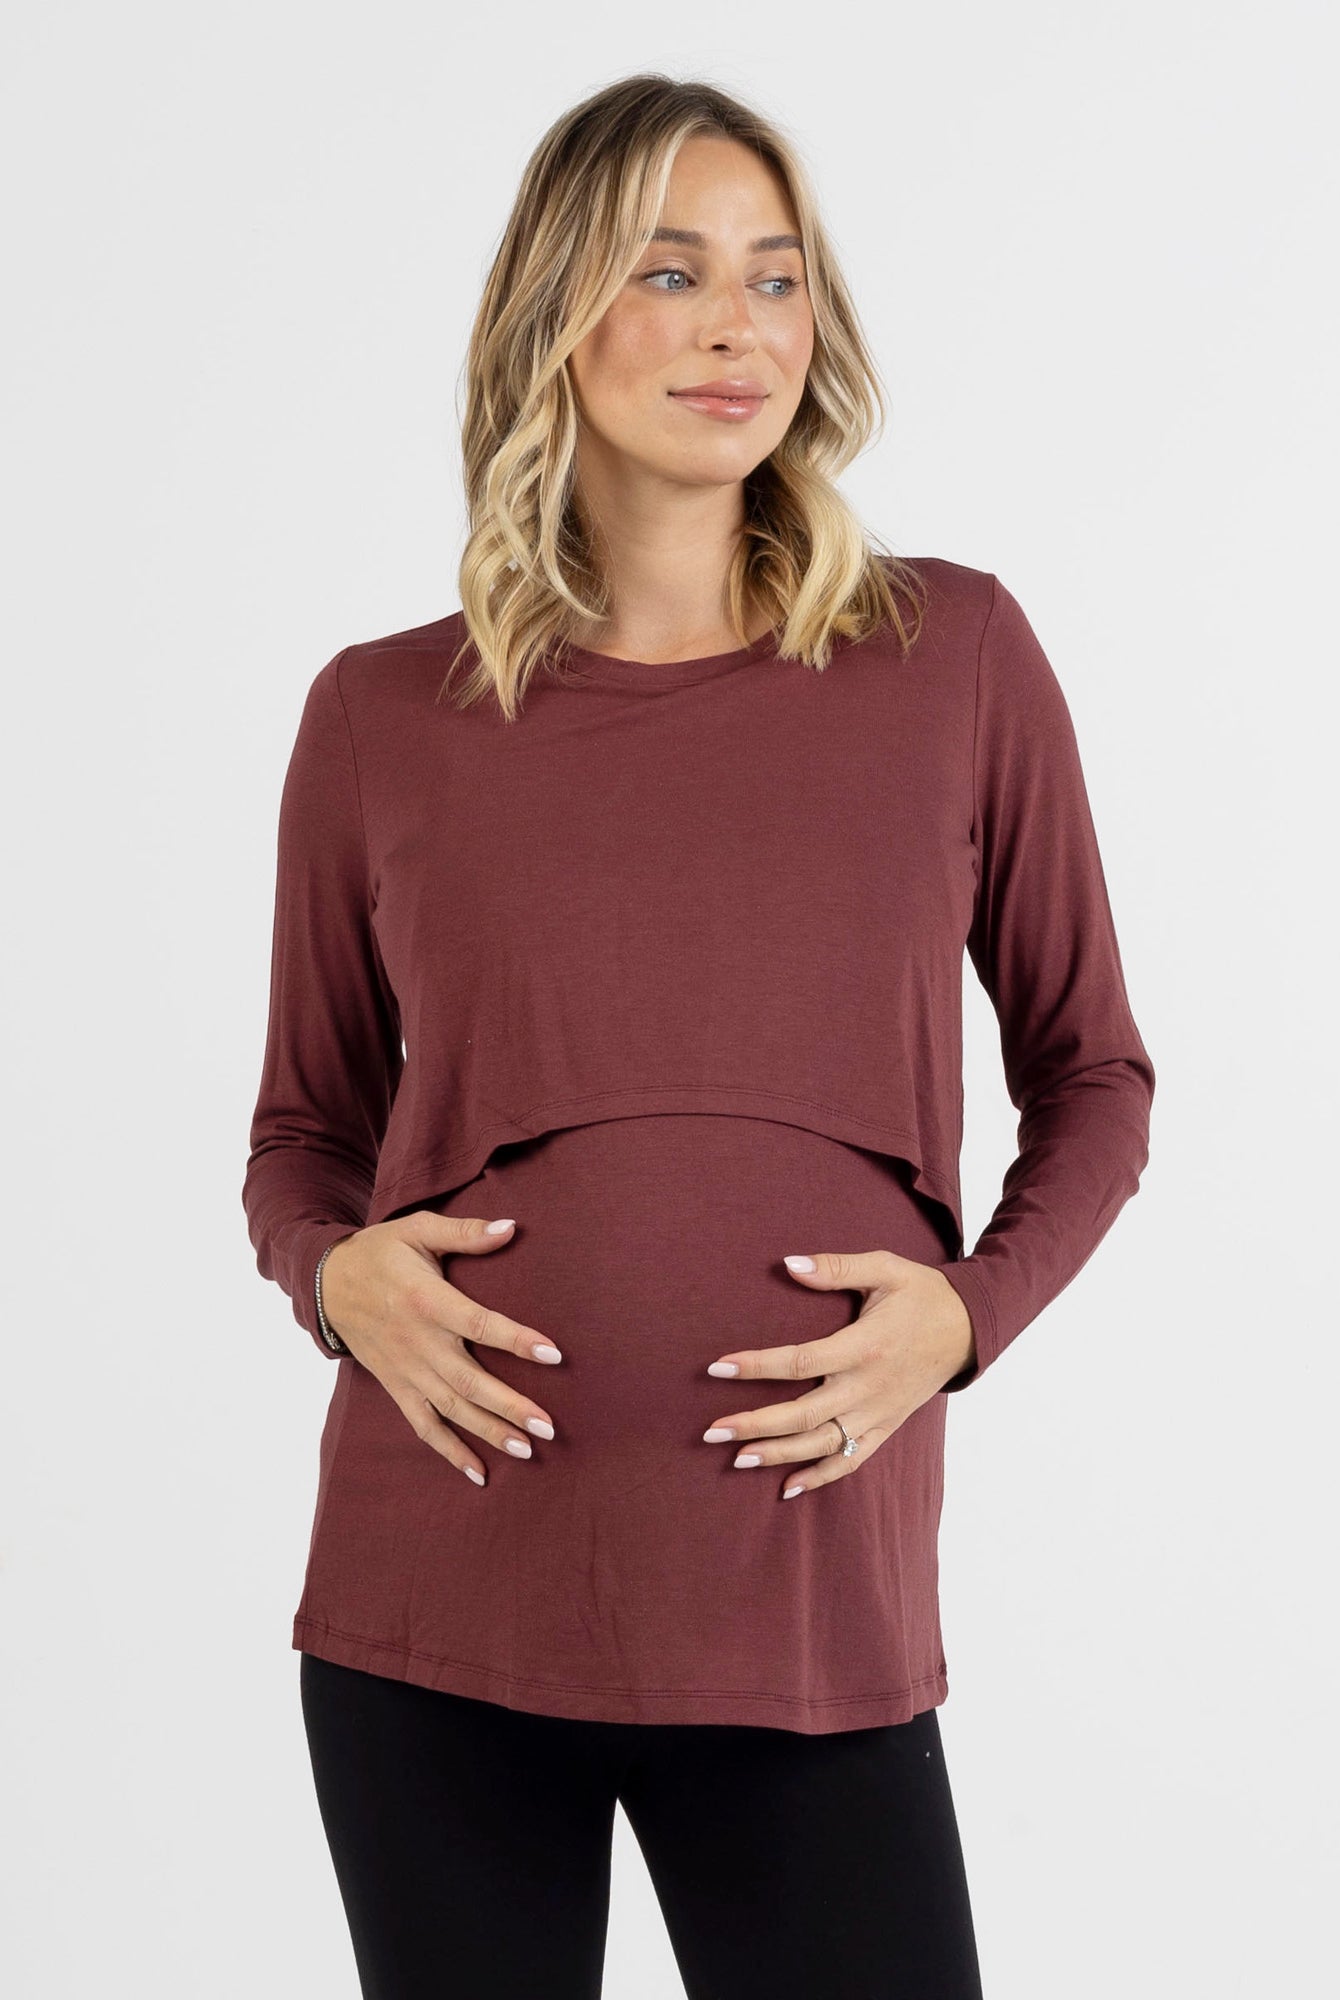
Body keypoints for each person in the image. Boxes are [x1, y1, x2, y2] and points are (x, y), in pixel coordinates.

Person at [242, 72, 1155, 2000]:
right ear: (556, 315)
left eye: (776, 274)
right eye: (671, 272)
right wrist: (334, 1276)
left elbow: (1096, 1077)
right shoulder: (381, 717)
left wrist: (967, 1316)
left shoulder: (955, 659)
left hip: (806, 1604)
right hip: (439, 1603)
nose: (739, 326)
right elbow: (300, 1134)